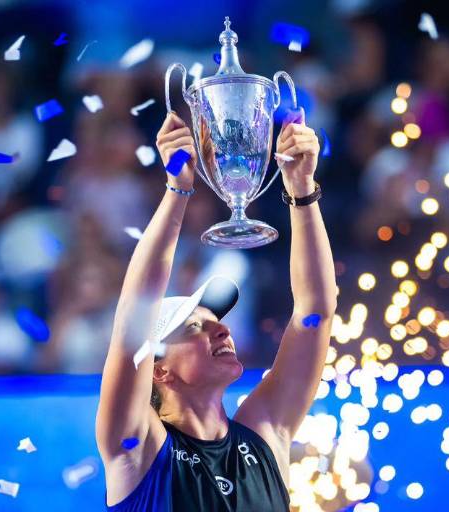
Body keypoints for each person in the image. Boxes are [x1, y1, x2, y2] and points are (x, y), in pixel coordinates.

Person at [96, 110, 337, 511]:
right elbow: (131, 325)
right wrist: (177, 191)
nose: (222, 331)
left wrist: (302, 190)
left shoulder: (265, 434)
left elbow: (315, 312)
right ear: (159, 369)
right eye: (194, 327)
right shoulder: (136, 450)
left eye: (216, 322)